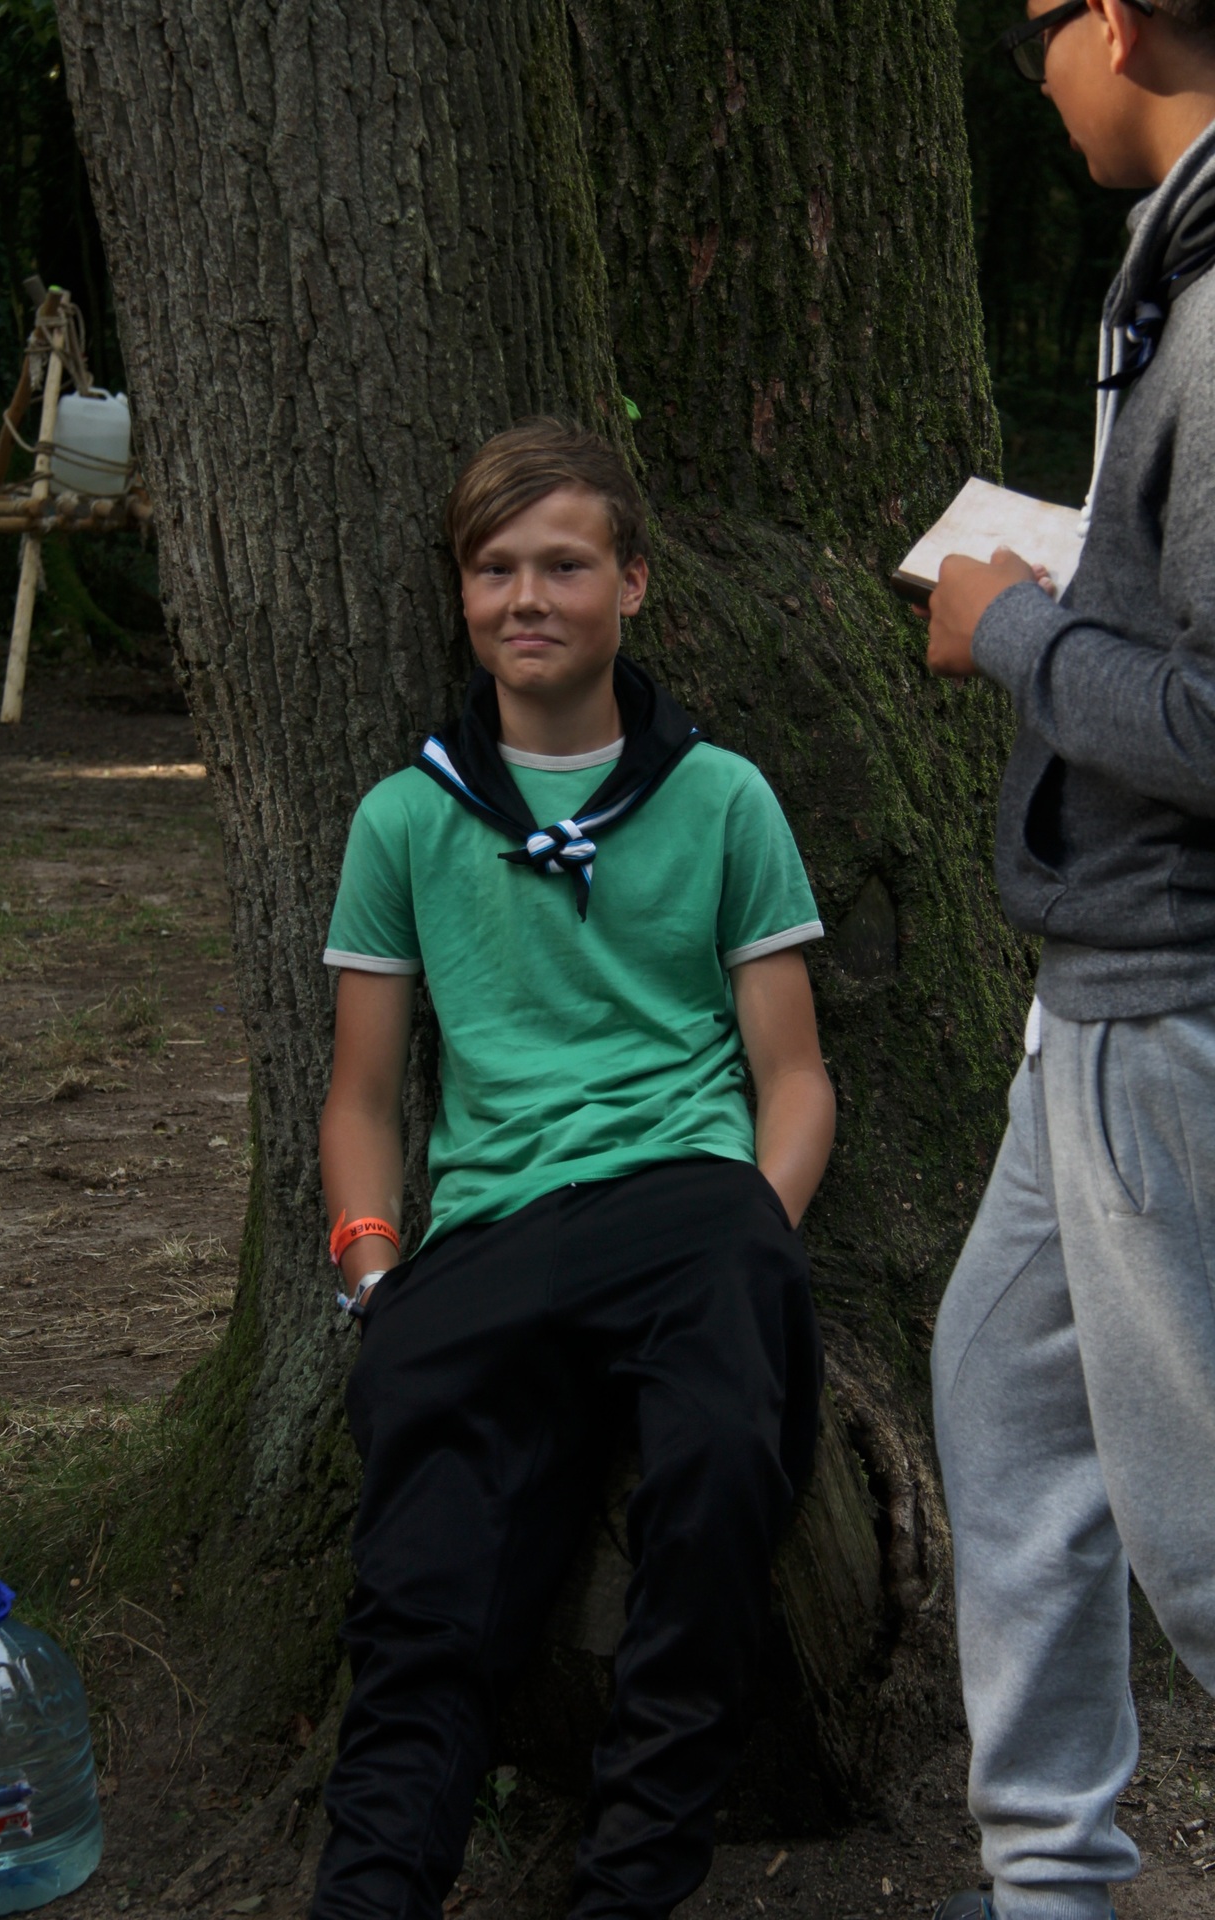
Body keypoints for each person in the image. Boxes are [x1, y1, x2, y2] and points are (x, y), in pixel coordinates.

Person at [310, 419, 835, 1920]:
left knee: (718, 1500)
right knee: (423, 1601)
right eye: (493, 568)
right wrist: (373, 1271)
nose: (526, 597)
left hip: (689, 1207)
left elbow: (796, 1078)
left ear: (634, 584)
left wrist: (755, 1230)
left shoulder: (721, 797)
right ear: (461, 594)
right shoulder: (405, 818)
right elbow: (362, 1094)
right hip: (490, 1233)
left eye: (564, 564)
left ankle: (631, 1885)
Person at [922, 0, 1215, 1915]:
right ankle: (1051, 1888)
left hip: (1171, 990)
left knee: (1201, 1536)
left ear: (1111, 18)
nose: (1032, 70)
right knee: (1004, 1397)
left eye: (1034, 23)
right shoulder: (1175, 265)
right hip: (1096, 987)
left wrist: (1012, 630)